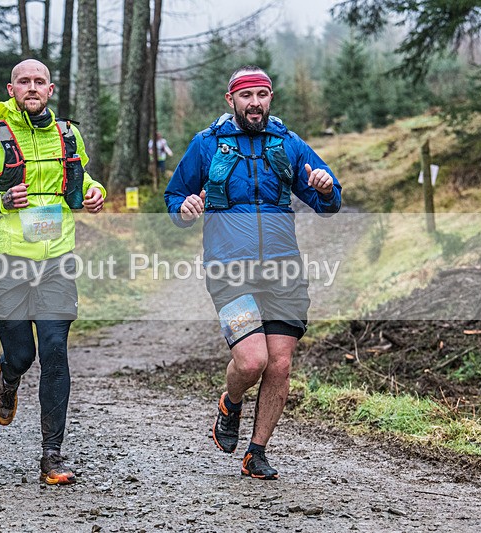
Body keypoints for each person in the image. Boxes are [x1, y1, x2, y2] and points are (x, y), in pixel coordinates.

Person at [164, 65, 341, 480]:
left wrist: (326, 187)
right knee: (251, 359)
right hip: (230, 272)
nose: (255, 103)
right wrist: (184, 208)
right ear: (232, 100)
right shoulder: (207, 145)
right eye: (247, 96)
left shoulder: (288, 143)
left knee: (279, 365)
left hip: (284, 273)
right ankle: (231, 401)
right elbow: (174, 196)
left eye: (262, 95)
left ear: (270, 98)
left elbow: (328, 203)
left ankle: (256, 451)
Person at [0, 59, 105, 485]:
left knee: (55, 350)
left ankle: (51, 455)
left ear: (51, 89)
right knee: (23, 353)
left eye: (40, 81)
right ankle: (8, 374)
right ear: (12, 88)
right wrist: (0, 201)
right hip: (6, 261)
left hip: (56, 259)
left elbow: (82, 178)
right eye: (25, 82)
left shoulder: (67, 134)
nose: (32, 87)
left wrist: (94, 192)